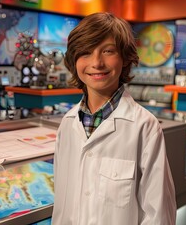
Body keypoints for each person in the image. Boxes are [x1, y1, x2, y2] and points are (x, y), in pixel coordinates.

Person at [51, 12, 176, 224]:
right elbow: (62, 206)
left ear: (125, 58)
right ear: (74, 60)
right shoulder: (68, 124)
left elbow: (159, 215)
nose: (97, 62)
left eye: (108, 51)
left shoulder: (144, 127)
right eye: (85, 53)